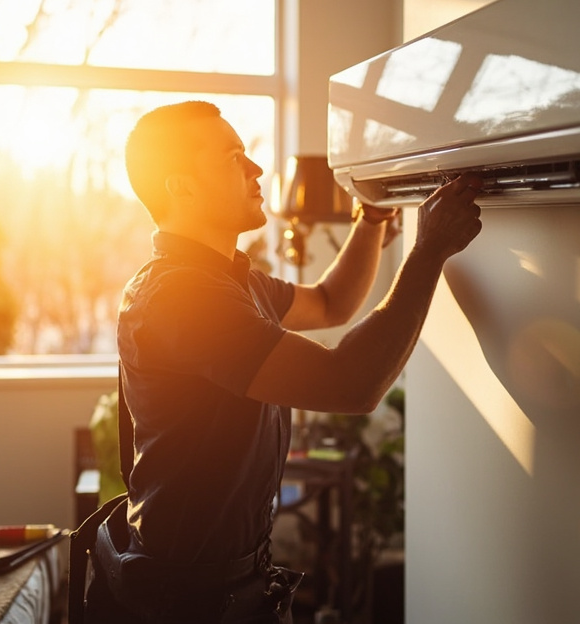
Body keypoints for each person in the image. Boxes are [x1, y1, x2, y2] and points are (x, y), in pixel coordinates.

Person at [84, 100, 482, 623]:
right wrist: (426, 251)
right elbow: (351, 385)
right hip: (183, 603)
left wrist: (373, 216)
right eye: (232, 158)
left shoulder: (234, 280)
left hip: (230, 587)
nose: (255, 170)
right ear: (180, 186)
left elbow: (330, 301)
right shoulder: (179, 294)